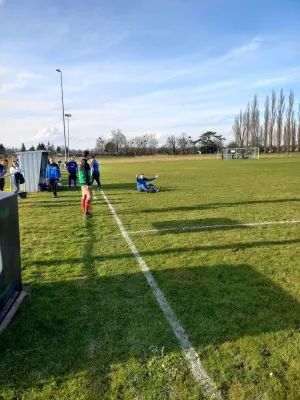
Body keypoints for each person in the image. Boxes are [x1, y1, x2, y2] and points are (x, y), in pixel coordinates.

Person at [79, 150, 93, 217]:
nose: (89, 157)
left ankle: (85, 211)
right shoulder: (84, 163)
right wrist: (88, 184)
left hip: (83, 182)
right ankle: (86, 212)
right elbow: (85, 175)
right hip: (85, 182)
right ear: (87, 155)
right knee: (89, 195)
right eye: (89, 155)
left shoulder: (82, 162)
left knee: (84, 195)